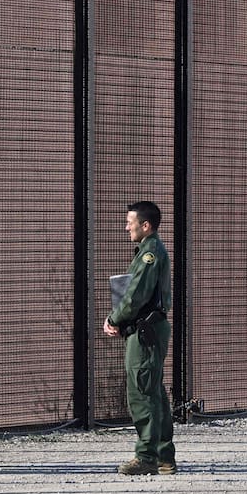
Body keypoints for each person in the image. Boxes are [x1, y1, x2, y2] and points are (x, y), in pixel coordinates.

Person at [102, 200, 176, 475]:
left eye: (130, 222)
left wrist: (114, 318)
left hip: (145, 332)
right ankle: (163, 456)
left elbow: (135, 296)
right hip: (148, 329)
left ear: (145, 225)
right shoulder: (149, 250)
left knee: (142, 393)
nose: (126, 227)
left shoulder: (149, 254)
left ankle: (146, 457)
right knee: (154, 392)